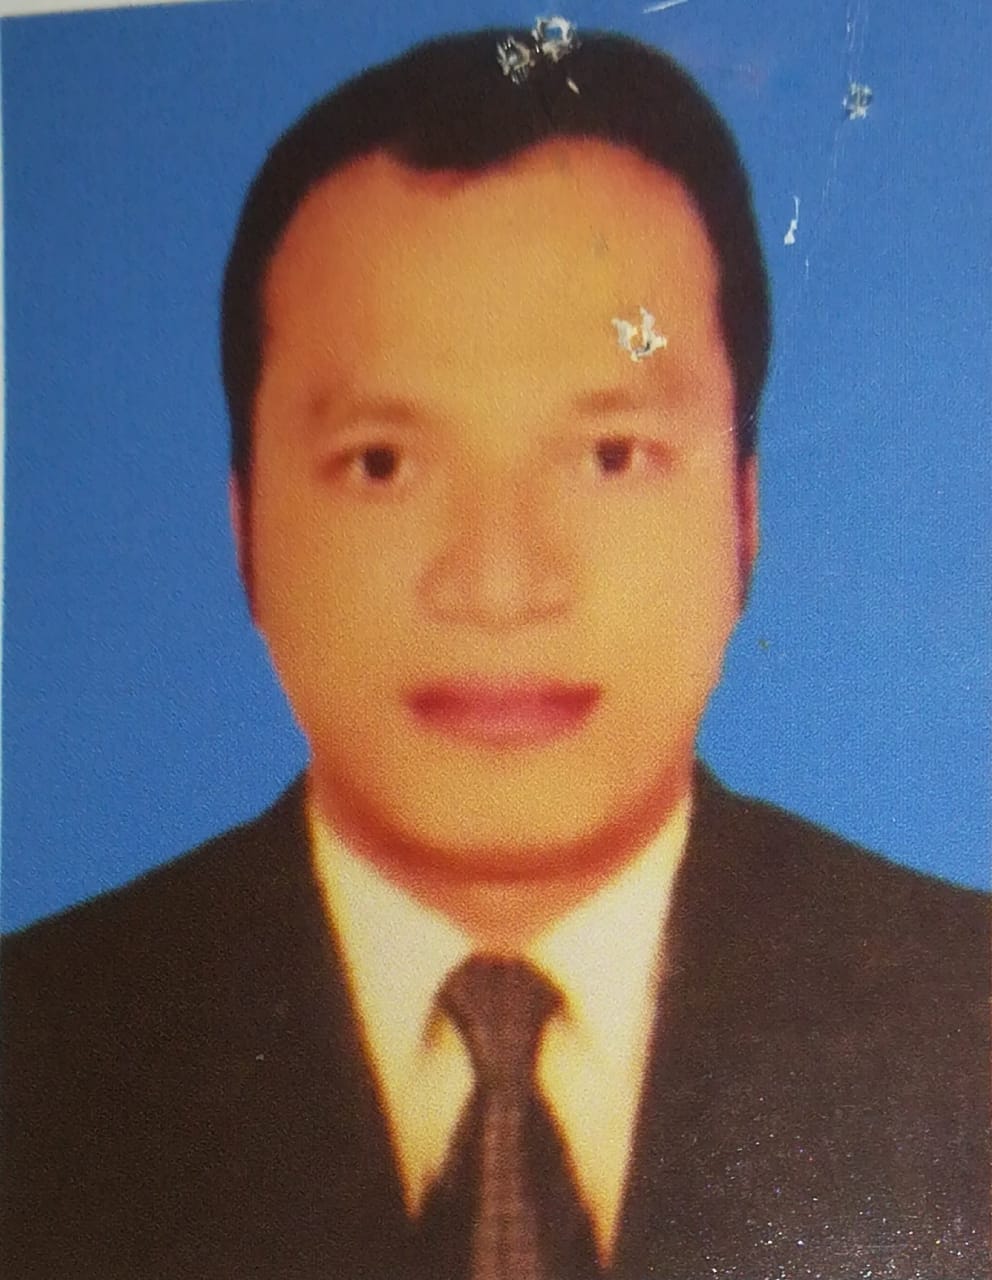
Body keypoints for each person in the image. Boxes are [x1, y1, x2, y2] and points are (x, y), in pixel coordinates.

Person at [2, 28, 987, 1280]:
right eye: (382, 463)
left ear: (743, 512)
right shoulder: (40, 1049)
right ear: (244, 524)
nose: (499, 583)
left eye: (610, 455)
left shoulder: (963, 1013)